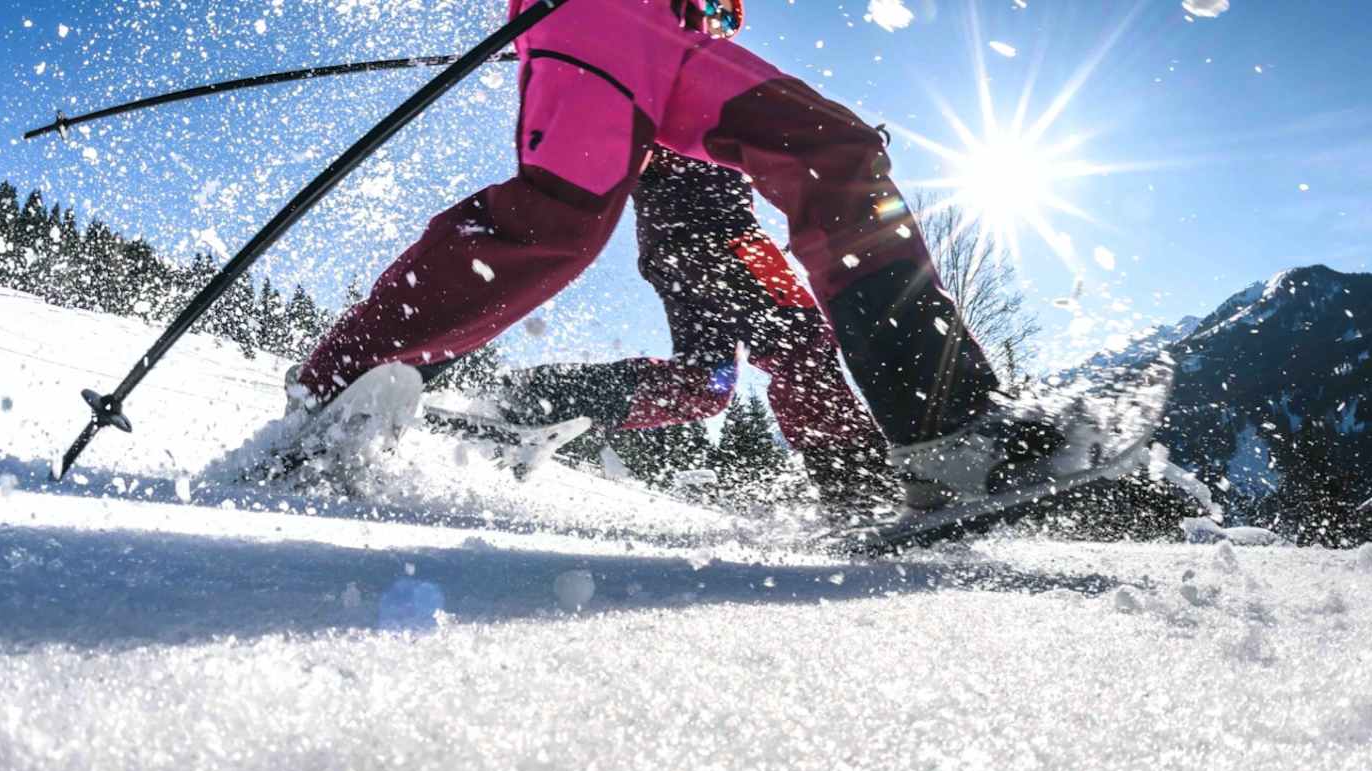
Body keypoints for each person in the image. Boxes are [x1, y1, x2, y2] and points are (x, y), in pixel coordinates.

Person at [291, 0, 1105, 516]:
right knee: (563, 221)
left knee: (837, 151)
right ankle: (336, 394)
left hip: (681, 32)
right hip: (606, 21)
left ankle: (951, 433)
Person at [481, 146, 897, 515]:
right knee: (801, 346)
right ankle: (861, 495)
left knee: (704, 385)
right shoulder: (682, 76)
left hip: (678, 244)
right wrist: (836, 146)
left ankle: (540, 396)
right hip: (726, 235)